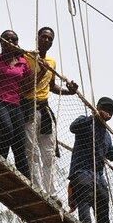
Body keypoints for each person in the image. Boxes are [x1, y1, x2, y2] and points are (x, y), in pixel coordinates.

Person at [22, 27, 78, 192]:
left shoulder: (52, 62)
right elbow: (25, 88)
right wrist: (41, 71)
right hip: (28, 108)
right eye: (44, 37)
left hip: (44, 110)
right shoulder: (26, 57)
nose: (46, 40)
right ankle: (37, 187)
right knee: (32, 152)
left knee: (49, 154)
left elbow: (51, 86)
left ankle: (51, 191)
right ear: (37, 37)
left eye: (50, 39)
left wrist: (70, 92)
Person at [0, 30, 32, 179]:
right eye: (8, 39)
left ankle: (27, 181)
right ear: (1, 41)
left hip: (15, 105)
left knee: (20, 145)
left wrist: (25, 57)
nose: (11, 42)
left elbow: (29, 85)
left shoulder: (22, 62)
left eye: (14, 40)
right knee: (7, 130)